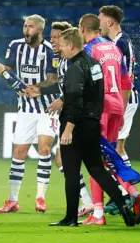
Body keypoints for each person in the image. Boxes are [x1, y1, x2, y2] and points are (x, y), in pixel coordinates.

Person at [49, 27, 135, 227]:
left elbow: (75, 100)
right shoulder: (95, 65)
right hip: (93, 125)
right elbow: (95, 93)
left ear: (71, 45)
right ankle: (123, 205)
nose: (59, 49)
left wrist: (68, 128)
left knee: (71, 172)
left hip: (76, 126)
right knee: (97, 169)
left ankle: (70, 218)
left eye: (61, 45)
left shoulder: (74, 69)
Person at [78, 13, 140, 225]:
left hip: (101, 109)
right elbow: (127, 81)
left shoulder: (89, 50)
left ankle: (98, 214)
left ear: (82, 30)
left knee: (94, 161)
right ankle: (133, 194)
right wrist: (122, 109)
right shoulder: (114, 48)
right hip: (117, 107)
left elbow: (90, 83)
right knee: (109, 157)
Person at [25, 21, 95, 217]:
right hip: (58, 112)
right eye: (51, 37)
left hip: (73, 114)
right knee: (54, 154)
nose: (52, 41)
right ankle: (86, 202)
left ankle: (109, 199)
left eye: (56, 38)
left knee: (74, 161)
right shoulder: (60, 59)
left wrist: (61, 100)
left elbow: (74, 88)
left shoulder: (72, 61)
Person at [0, 14, 59, 213]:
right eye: (24, 26)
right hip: (25, 109)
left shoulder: (49, 50)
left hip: (47, 109)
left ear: (40, 29)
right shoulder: (15, 45)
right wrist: (5, 74)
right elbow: (9, 70)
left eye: (30, 27)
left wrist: (35, 87)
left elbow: (53, 80)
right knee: (18, 153)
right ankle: (12, 200)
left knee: (44, 149)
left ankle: (40, 198)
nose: (26, 30)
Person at [99, 6, 138, 167]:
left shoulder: (122, 43)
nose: (97, 22)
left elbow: (127, 79)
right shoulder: (115, 42)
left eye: (99, 19)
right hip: (117, 99)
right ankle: (123, 187)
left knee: (116, 147)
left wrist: (120, 110)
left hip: (123, 99)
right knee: (112, 147)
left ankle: (127, 187)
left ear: (109, 22)